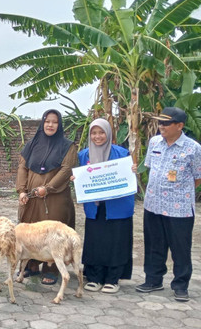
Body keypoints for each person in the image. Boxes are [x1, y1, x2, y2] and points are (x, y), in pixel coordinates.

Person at [136, 107, 201, 302]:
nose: (161, 126)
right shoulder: (155, 142)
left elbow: (198, 177)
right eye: (160, 122)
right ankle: (153, 280)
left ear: (179, 126)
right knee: (154, 245)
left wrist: (181, 190)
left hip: (179, 208)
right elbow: (149, 168)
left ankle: (181, 285)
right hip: (153, 204)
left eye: (166, 123)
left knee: (180, 248)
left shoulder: (193, 148)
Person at [16, 109, 77, 285]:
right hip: (32, 197)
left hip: (55, 197)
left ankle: (52, 269)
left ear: (59, 125)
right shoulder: (32, 144)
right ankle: (31, 266)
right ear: (43, 123)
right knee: (31, 231)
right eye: (47, 121)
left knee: (53, 232)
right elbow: (22, 167)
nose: (50, 125)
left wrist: (48, 188)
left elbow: (66, 169)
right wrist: (21, 190)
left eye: (54, 122)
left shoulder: (67, 146)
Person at [76, 118, 135, 294]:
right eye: (94, 133)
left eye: (101, 132)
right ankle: (94, 277)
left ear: (108, 134)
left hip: (117, 207)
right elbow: (82, 177)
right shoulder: (84, 155)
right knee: (95, 242)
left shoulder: (122, 154)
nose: (97, 136)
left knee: (116, 241)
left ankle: (112, 279)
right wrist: (77, 179)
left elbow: (128, 178)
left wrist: (131, 171)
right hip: (95, 208)